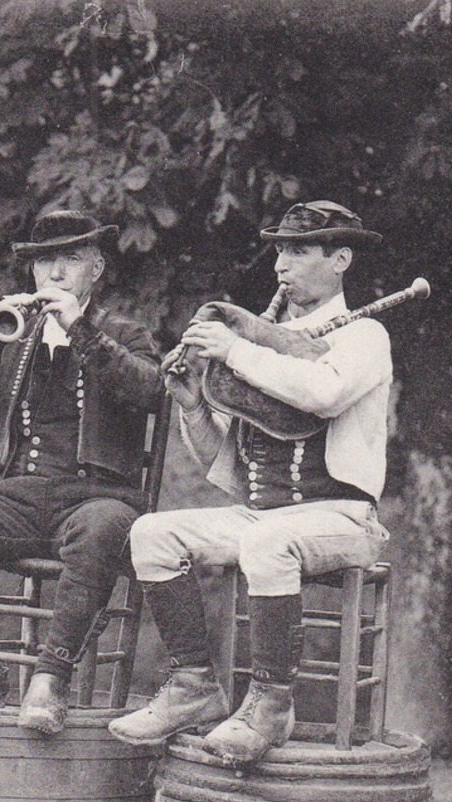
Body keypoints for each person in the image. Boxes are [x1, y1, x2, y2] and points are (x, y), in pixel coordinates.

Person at [109, 200, 391, 765]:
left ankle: (271, 705)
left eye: (300, 250)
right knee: (151, 534)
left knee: (267, 543)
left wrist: (236, 349)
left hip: (342, 517)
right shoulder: (265, 344)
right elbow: (228, 466)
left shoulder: (365, 336)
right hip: (264, 518)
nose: (282, 264)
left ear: (341, 259)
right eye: (280, 250)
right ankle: (194, 687)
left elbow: (322, 394)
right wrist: (194, 407)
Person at [0, 209, 162, 733]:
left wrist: (80, 328)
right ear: (32, 272)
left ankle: (51, 678)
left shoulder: (123, 332)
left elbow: (151, 391)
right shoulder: (13, 334)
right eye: (46, 260)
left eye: (71, 259)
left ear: (96, 268)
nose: (56, 272)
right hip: (17, 499)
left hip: (95, 498)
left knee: (104, 527)